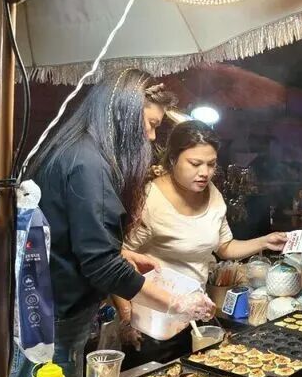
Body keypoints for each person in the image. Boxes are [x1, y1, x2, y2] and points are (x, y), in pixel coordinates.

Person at [11, 68, 214, 377]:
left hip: (41, 302)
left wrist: (121, 252)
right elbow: (101, 266)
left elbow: (69, 232)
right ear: (123, 113)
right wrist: (176, 303)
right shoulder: (90, 165)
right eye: (150, 123)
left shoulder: (75, 148)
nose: (152, 136)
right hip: (54, 312)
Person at [119, 120, 286, 364]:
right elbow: (116, 261)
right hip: (153, 324)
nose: (205, 172)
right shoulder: (150, 200)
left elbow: (225, 247)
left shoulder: (213, 194)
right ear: (173, 159)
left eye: (211, 164)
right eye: (195, 164)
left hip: (194, 314)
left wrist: (265, 241)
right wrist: (126, 317)